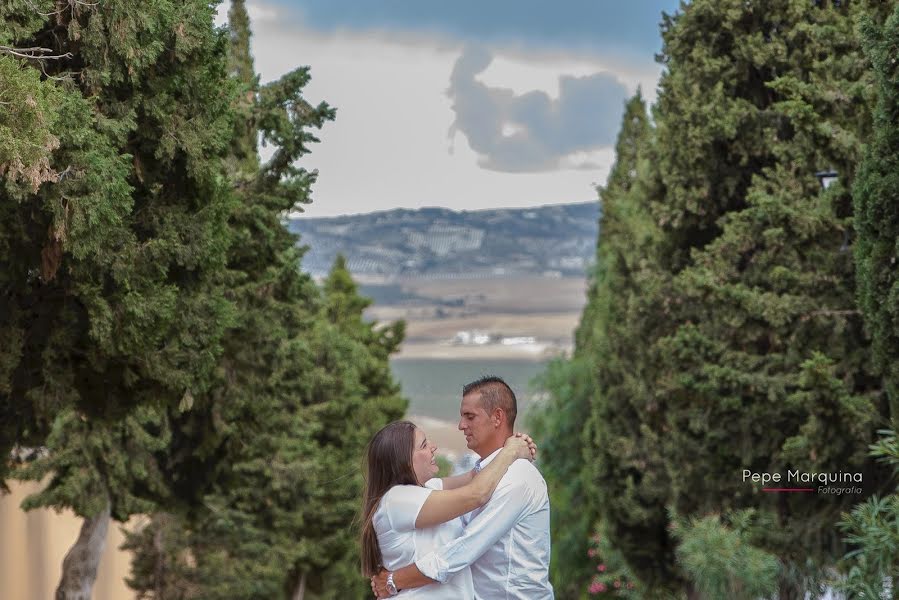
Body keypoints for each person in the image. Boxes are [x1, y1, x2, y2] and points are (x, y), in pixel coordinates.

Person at [371, 376, 554, 599]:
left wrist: (394, 580)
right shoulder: (404, 496)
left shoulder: (517, 476)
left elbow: (465, 548)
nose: (460, 425)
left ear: (497, 417)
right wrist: (512, 450)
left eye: (470, 417)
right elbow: (474, 491)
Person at [361, 419, 537, 599]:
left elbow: (474, 476)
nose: (433, 446)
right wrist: (510, 451)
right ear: (404, 461)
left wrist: (516, 448)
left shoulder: (429, 488)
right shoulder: (397, 499)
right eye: (423, 445)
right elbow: (476, 494)